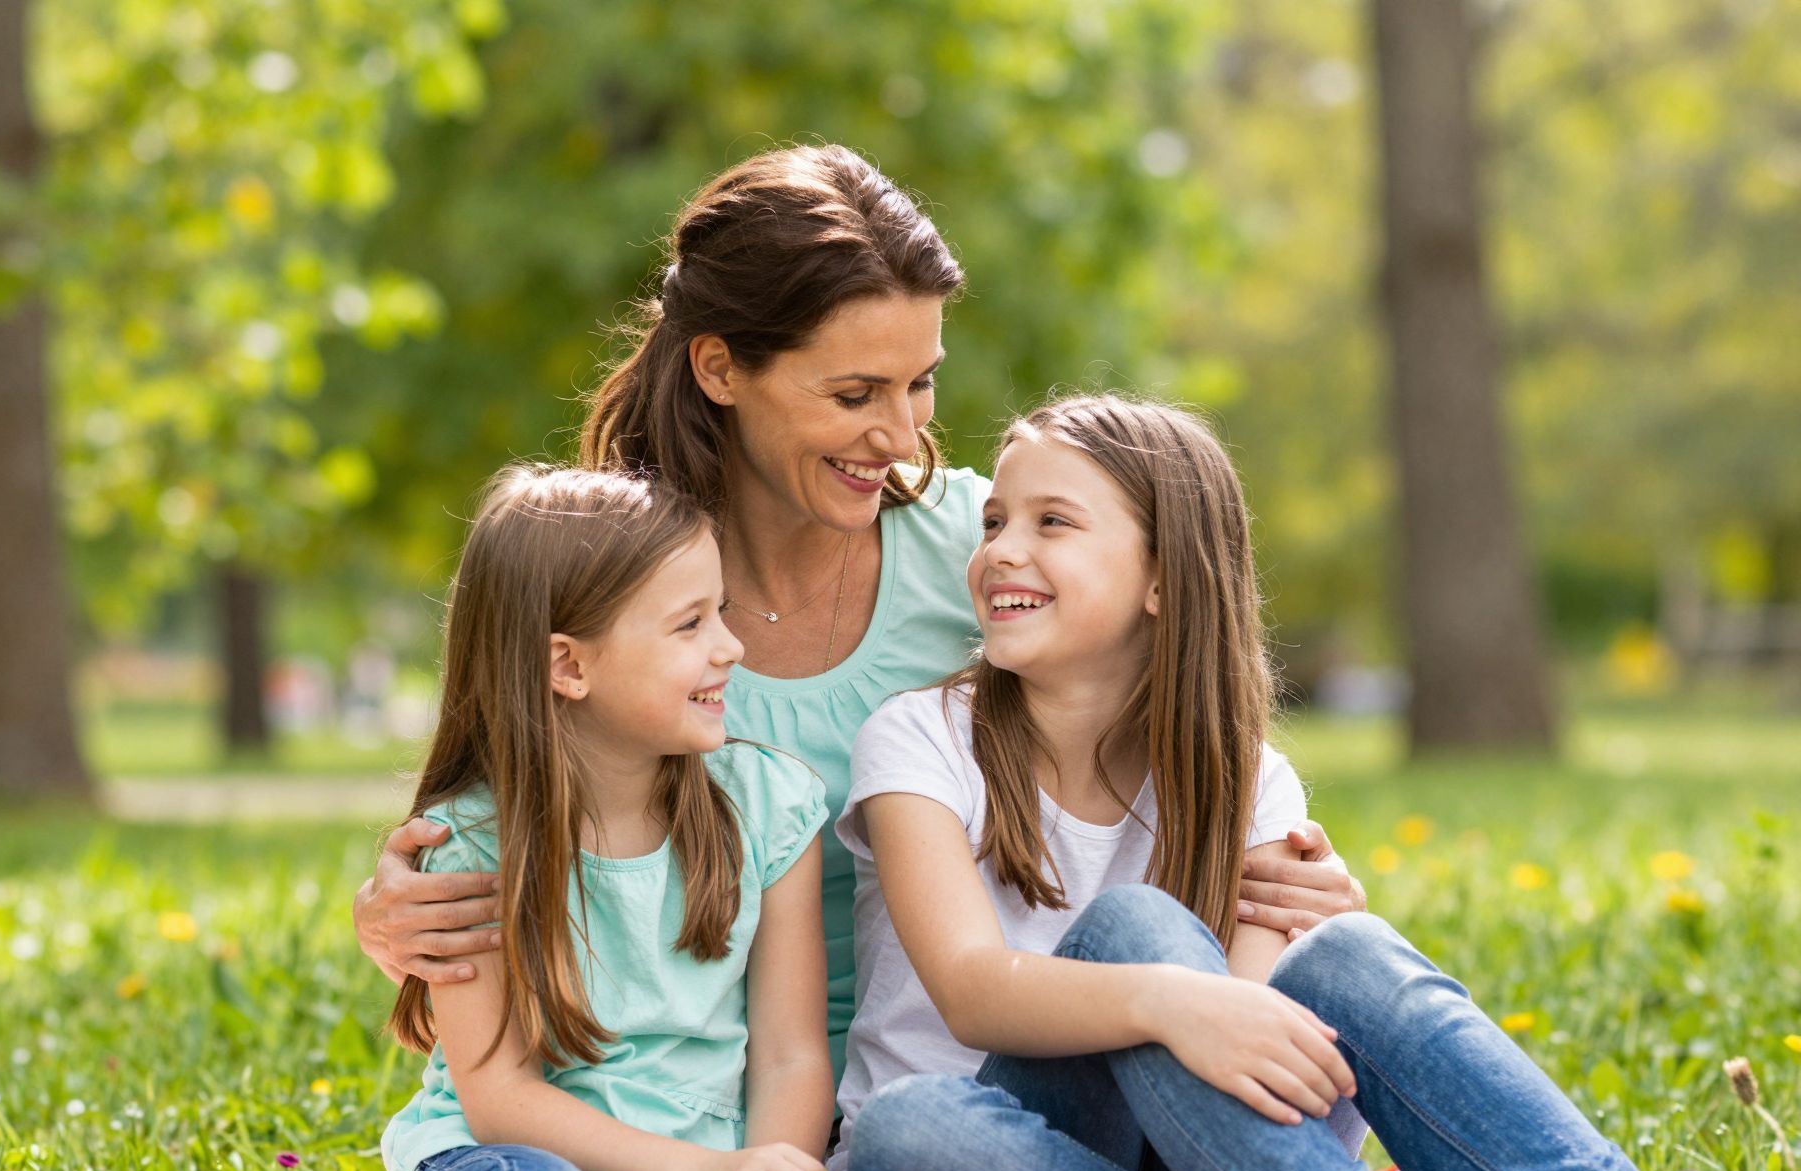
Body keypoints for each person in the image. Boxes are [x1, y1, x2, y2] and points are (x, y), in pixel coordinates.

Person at [836, 394, 1801, 1171]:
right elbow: (974, 992)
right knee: (914, 1125)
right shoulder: (918, 741)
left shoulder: (1245, 781)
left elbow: (1253, 1092)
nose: (999, 551)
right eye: (994, 523)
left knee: (1333, 951)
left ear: (1163, 576)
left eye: (1051, 523)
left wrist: (1265, 972)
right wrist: (1169, 1001)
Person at [351, 143, 1362, 1095]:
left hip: (985, 1066)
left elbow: (1187, 737)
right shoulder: (605, 577)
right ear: (718, 371)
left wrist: (1292, 887)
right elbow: (492, 819)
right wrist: (398, 916)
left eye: (919, 382)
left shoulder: (988, 548)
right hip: (682, 1100)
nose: (898, 432)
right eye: (852, 393)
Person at [35, 467, 864, 1171]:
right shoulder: (474, 840)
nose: (731, 647)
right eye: (691, 624)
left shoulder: (771, 804)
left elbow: (788, 1050)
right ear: (568, 664)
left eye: (724, 613)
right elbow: (502, 1097)